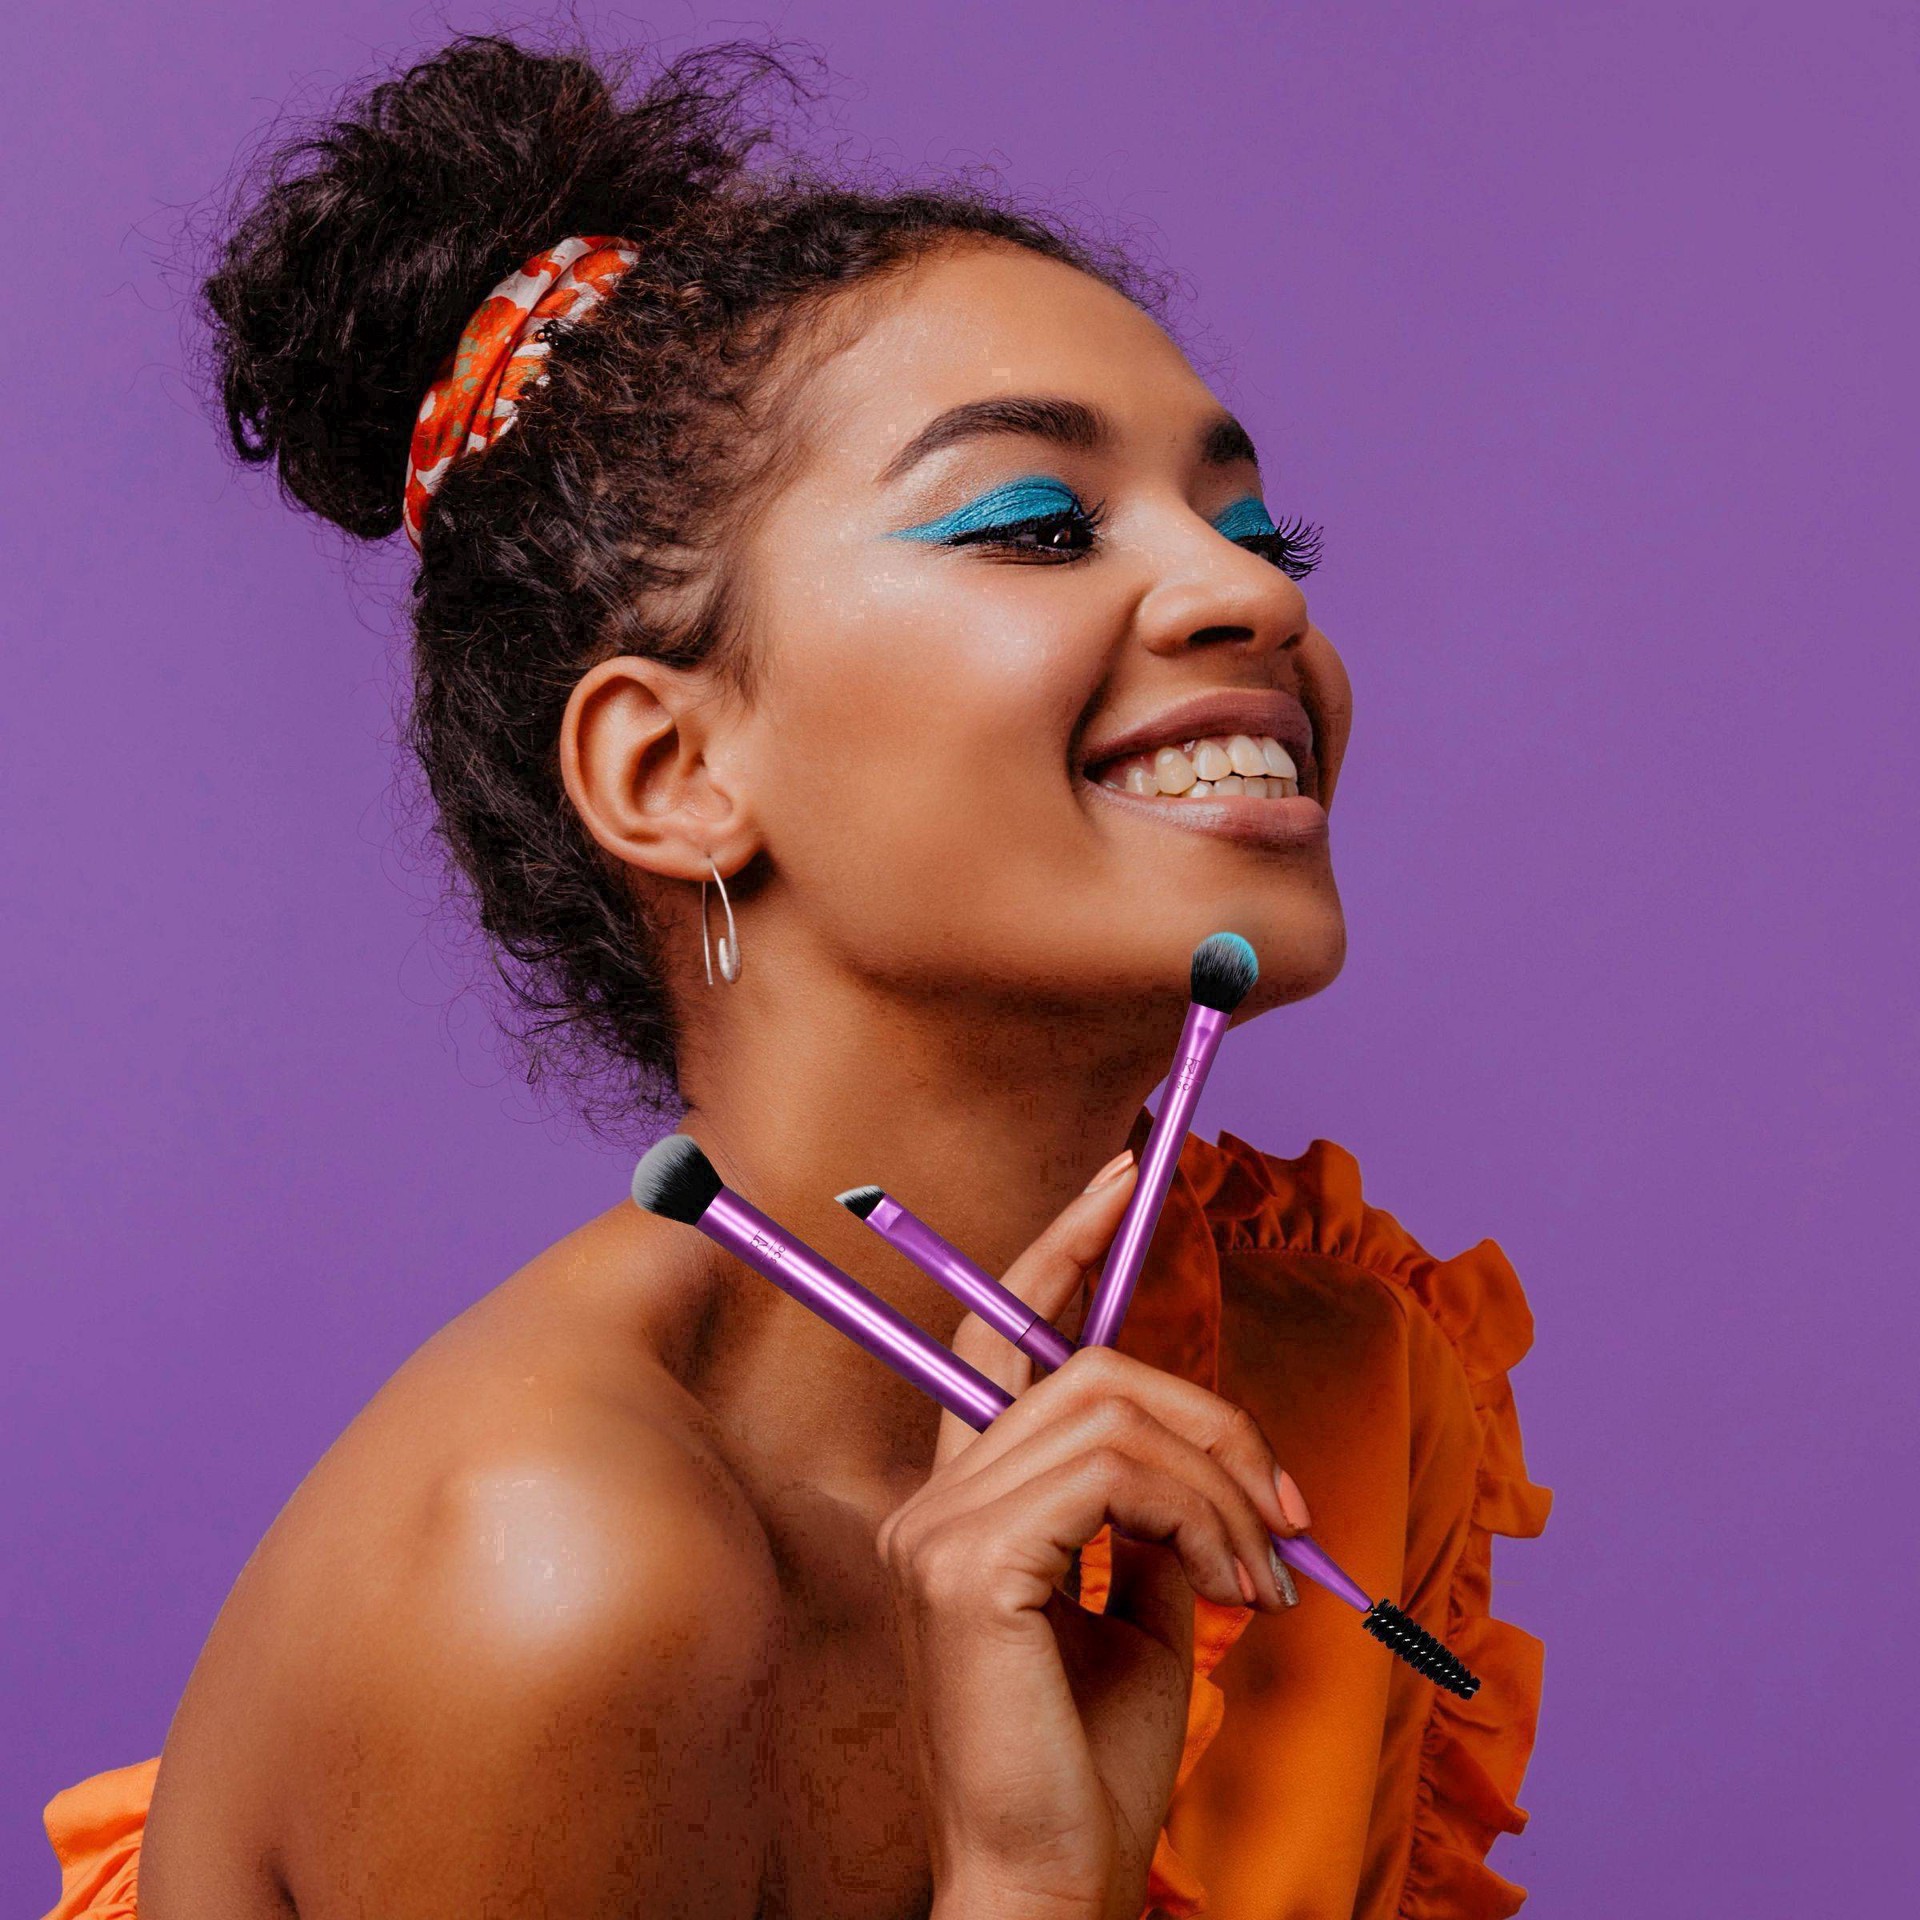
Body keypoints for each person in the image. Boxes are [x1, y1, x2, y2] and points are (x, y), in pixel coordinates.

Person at [36, 32, 1550, 1920]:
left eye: (1255, 529)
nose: (1261, 597)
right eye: (1037, 526)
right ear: (672, 772)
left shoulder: (1312, 1375)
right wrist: (1027, 1886)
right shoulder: (560, 1586)